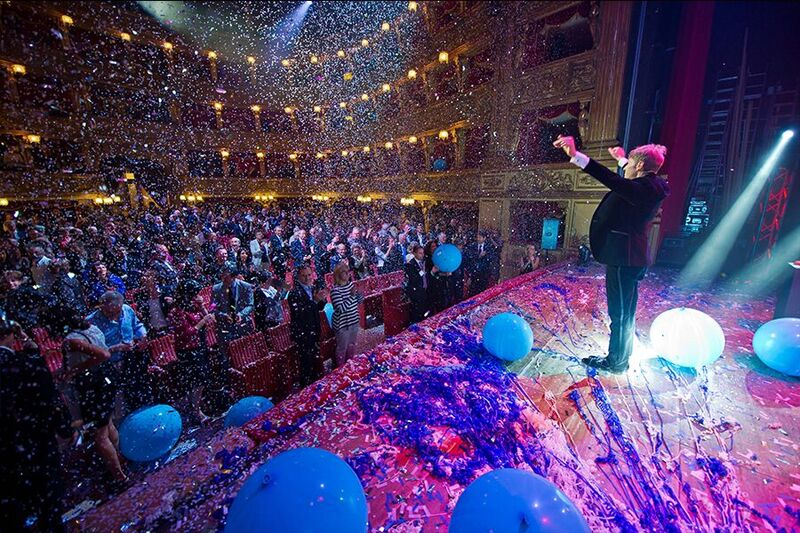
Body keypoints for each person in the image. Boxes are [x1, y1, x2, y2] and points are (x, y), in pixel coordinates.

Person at [554, 134, 670, 373]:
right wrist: (622, 159)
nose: (625, 168)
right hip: (629, 257)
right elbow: (629, 177)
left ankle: (616, 361)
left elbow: (614, 181)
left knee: (620, 313)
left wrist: (576, 156)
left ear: (639, 166)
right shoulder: (649, 186)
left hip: (624, 258)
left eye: (630, 164)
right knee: (625, 311)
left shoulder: (642, 189)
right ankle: (621, 356)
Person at [0, 317, 75, 532]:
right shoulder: (27, 364)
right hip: (35, 440)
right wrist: (64, 429)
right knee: (48, 500)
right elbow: (49, 401)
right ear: (11, 336)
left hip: (7, 451)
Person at [43, 305, 128, 483]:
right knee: (108, 425)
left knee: (100, 435)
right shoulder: (92, 328)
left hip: (94, 386)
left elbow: (103, 354)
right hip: (106, 380)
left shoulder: (71, 340)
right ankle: (119, 462)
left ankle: (119, 477)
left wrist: (73, 370)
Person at [87, 291, 151, 412]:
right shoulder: (91, 322)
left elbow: (137, 325)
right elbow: (92, 351)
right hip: (109, 365)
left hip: (131, 358)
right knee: (118, 400)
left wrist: (143, 336)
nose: (115, 316)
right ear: (102, 307)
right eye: (111, 313)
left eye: (118, 311)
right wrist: (116, 347)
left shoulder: (126, 310)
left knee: (138, 391)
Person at [167, 280, 214, 425]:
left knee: (202, 379)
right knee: (195, 381)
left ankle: (197, 407)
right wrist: (203, 321)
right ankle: (196, 411)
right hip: (188, 350)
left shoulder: (193, 307)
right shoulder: (177, 311)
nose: (197, 297)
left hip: (200, 345)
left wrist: (202, 308)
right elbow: (188, 333)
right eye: (194, 295)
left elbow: (210, 321)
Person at [288, 265, 328, 386]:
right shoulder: (294, 293)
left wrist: (322, 300)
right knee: (305, 362)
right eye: (304, 276)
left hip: (314, 328)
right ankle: (306, 388)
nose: (307, 278)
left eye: (309, 275)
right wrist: (315, 301)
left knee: (315, 359)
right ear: (298, 277)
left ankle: (316, 385)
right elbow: (300, 314)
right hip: (303, 332)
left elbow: (317, 308)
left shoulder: (312, 288)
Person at [212, 262, 255, 345]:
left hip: (243, 325)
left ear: (233, 276)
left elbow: (250, 305)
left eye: (226, 275)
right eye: (222, 275)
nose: (223, 278)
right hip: (225, 327)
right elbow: (212, 307)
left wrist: (241, 314)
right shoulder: (216, 289)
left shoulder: (245, 287)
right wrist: (223, 315)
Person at [330, 261, 362, 366]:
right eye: (344, 272)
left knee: (352, 345)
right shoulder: (335, 291)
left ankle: (349, 365)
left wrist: (360, 296)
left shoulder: (351, 285)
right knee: (342, 348)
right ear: (338, 275)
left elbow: (357, 302)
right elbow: (340, 309)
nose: (348, 274)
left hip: (354, 320)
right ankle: (340, 368)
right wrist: (352, 296)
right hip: (342, 324)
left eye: (348, 272)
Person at [404, 244, 430, 323]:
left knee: (424, 310)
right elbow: (414, 278)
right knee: (417, 311)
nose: (422, 255)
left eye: (423, 253)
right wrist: (423, 271)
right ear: (414, 253)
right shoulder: (410, 264)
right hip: (416, 292)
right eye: (420, 253)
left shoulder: (423, 262)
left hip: (424, 289)